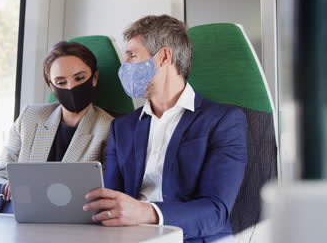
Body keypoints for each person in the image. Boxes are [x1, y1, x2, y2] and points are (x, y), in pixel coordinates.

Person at [83, 15, 247, 243]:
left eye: (132, 55)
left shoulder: (223, 121)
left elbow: (215, 212)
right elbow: (112, 201)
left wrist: (146, 212)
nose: (125, 67)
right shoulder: (122, 127)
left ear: (164, 57)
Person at [0, 41, 113, 201]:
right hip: (22, 211)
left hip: (76, 218)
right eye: (61, 82)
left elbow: (107, 189)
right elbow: (0, 174)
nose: (71, 87)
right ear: (51, 86)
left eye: (80, 78)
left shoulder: (110, 128)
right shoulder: (29, 117)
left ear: (94, 78)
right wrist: (9, 186)